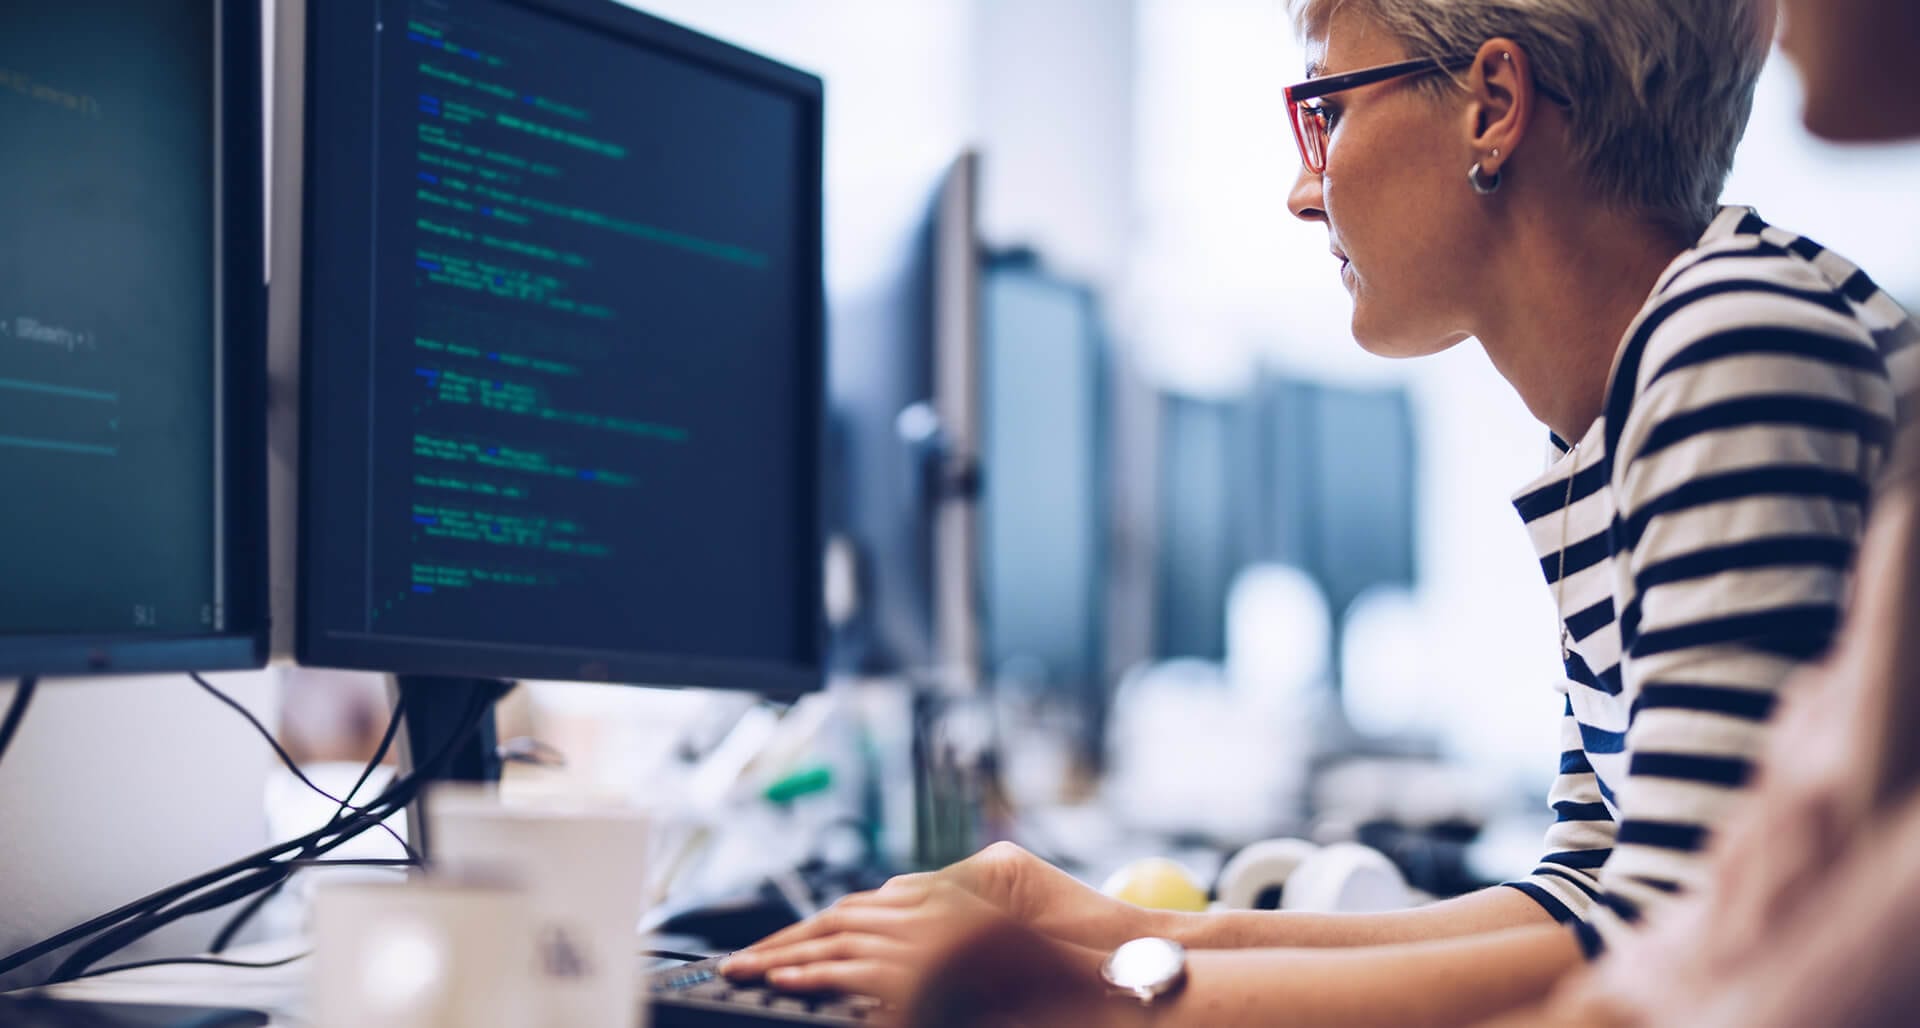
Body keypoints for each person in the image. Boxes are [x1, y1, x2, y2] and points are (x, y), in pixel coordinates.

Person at [723, 0, 1920, 1023]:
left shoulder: (1731, 341)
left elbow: (1670, 951)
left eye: (1327, 110)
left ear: (1493, 104)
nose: (1305, 189)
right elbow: (1586, 895)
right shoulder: (1636, 391)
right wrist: (1101, 923)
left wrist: (1113, 994)